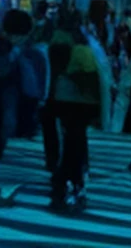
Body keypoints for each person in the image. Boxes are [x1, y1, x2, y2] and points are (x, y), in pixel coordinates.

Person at [43, 14, 101, 212]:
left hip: (61, 98)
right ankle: (69, 183)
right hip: (79, 101)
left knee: (68, 142)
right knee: (74, 143)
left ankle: (64, 181)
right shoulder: (82, 48)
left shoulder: (54, 44)